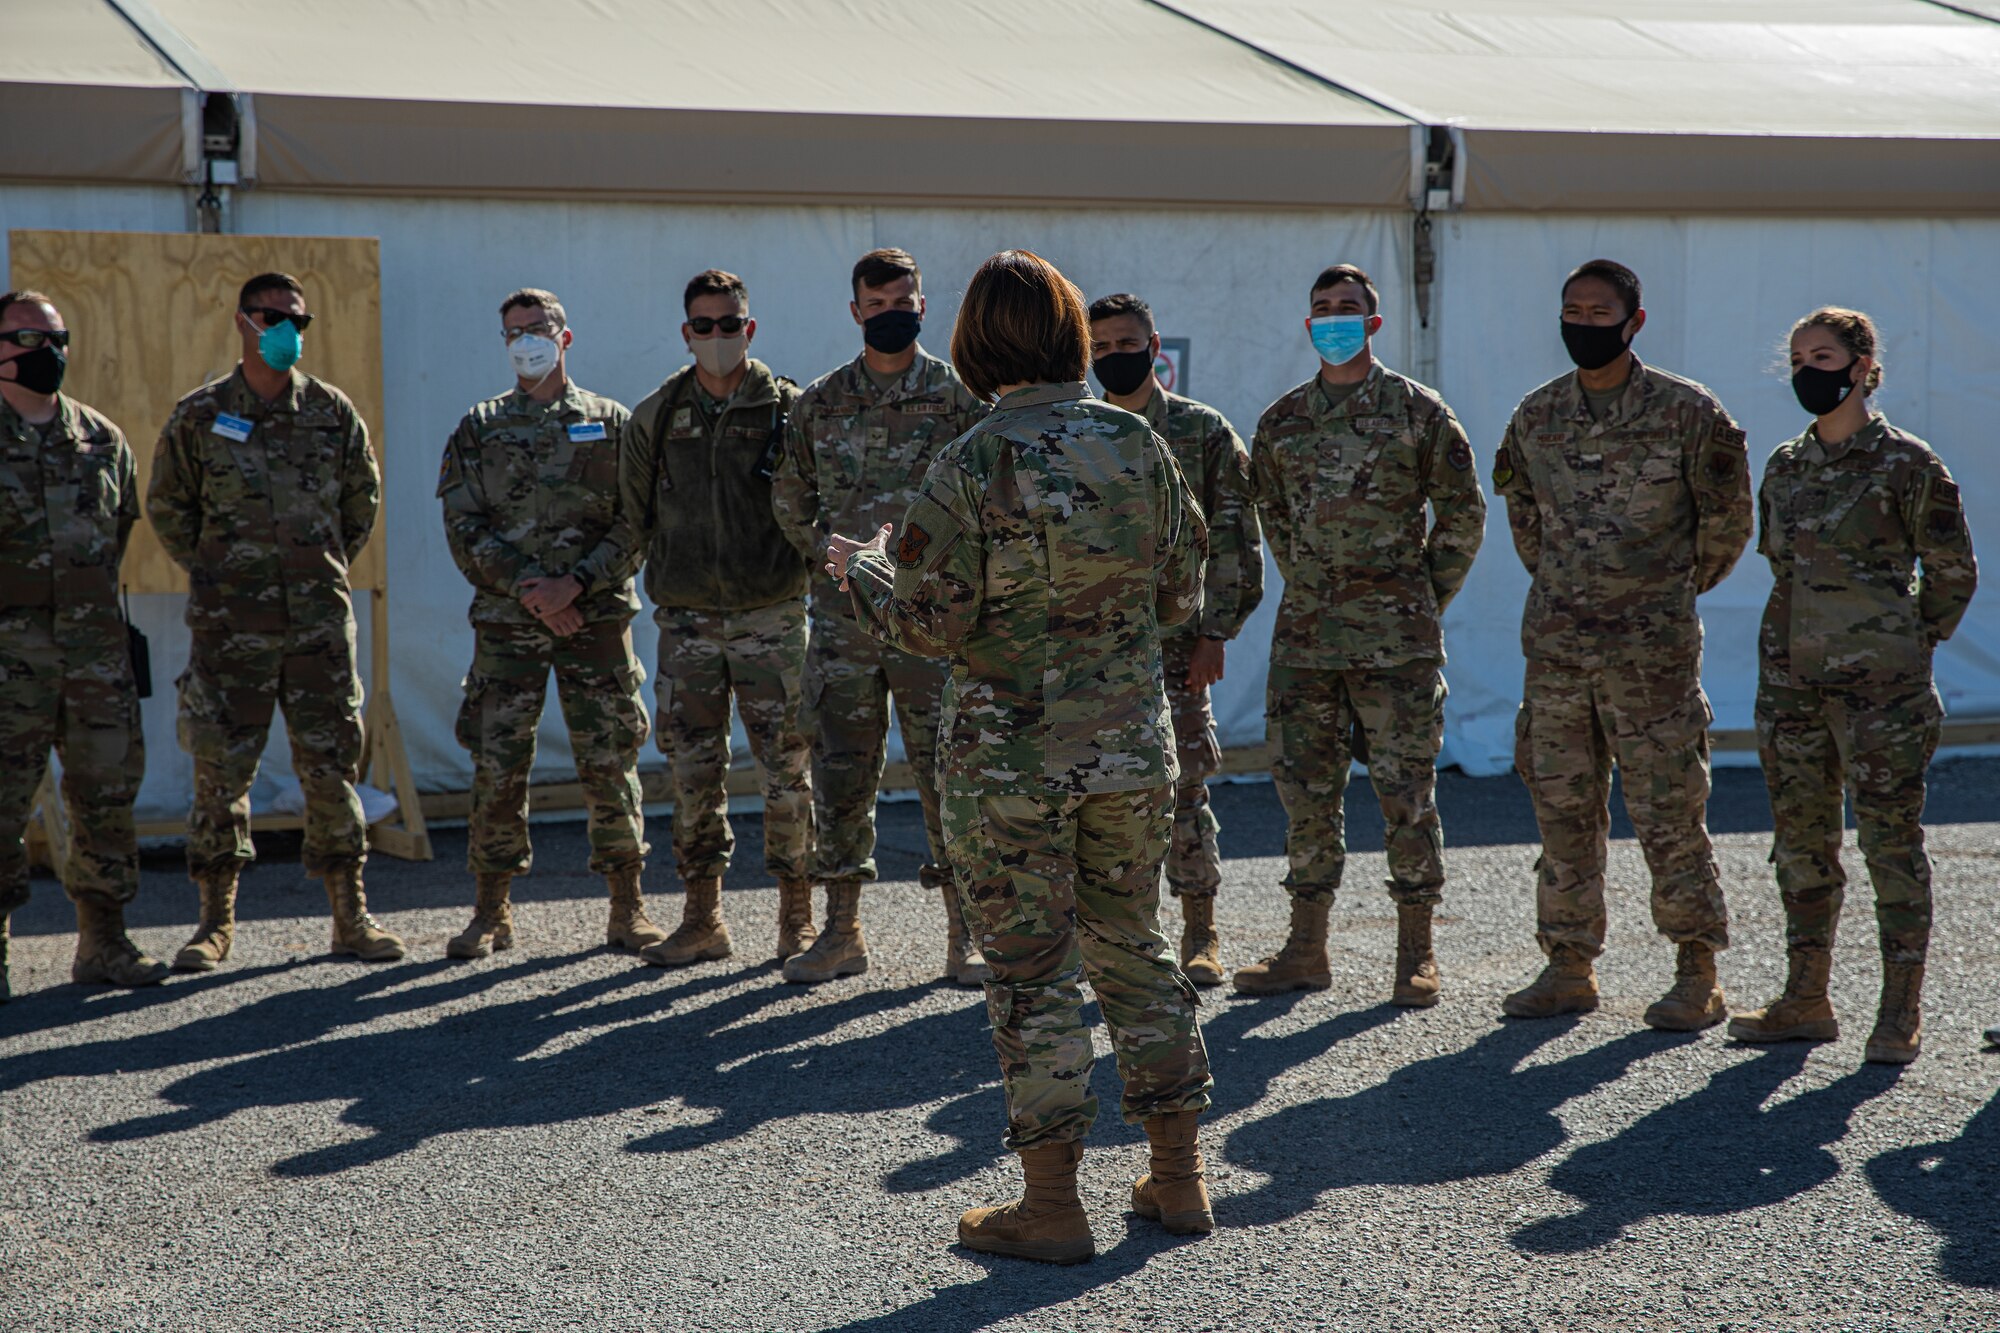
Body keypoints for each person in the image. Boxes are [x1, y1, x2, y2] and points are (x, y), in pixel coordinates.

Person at [831, 249, 1214, 1265]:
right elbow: (1181, 594)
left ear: (975, 341)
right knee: (1136, 945)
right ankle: (1177, 1180)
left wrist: (862, 572)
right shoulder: (1137, 442)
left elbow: (924, 624)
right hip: (1131, 747)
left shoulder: (970, 458)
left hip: (1011, 766)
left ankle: (1051, 1206)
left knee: (1034, 973)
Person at [1492, 258, 1752, 1029]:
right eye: (1571, 308)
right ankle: (1569, 964)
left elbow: (1726, 526)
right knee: (1563, 812)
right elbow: (1525, 521)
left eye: (1599, 310)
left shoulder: (1687, 413)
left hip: (1652, 659)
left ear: (1634, 321)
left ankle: (1696, 969)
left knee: (1670, 812)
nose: (1583, 322)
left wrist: (1656, 594)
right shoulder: (1536, 417)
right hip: (1559, 651)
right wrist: (1580, 592)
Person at [1728, 308, 1977, 1064]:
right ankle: (1806, 996)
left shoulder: (1908, 464)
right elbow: (1779, 564)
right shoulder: (1785, 464)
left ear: (1864, 366)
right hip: (1793, 687)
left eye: (1825, 355)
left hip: (1882, 696)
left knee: (1889, 846)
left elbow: (1953, 573)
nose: (1810, 370)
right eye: (1799, 358)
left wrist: (1903, 642)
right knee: (1801, 845)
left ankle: (1900, 1010)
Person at [1232, 265, 1484, 1006]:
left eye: (1348, 308)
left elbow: (1462, 514)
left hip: (1396, 644)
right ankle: (1306, 948)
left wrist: (1417, 596)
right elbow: (1271, 516)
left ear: (1373, 324)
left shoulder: (1418, 412)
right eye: (1322, 308)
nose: (1334, 317)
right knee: (1305, 796)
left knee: (1406, 795)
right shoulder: (1282, 422)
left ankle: (1416, 954)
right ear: (1308, 324)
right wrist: (1316, 582)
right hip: (1307, 643)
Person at [150, 272, 403, 967]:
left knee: (331, 770)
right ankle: (214, 924)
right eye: (274, 315)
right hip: (231, 628)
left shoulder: (330, 411)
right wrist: (222, 571)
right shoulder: (199, 416)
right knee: (220, 774)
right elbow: (169, 508)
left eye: (299, 318)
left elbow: (361, 503)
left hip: (317, 625)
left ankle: (350, 918)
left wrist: (312, 565)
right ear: (243, 322)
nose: (289, 327)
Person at [772, 249, 990, 985]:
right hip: (845, 624)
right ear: (856, 310)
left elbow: (990, 498)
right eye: (878, 299)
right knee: (841, 775)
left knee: (948, 775)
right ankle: (840, 931)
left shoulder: (962, 399)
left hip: (931, 625)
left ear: (924, 306)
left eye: (905, 297)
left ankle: (967, 934)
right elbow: (789, 496)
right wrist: (824, 547)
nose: (892, 309)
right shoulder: (821, 402)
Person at [437, 288, 660, 959]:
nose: (524, 340)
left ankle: (628, 907)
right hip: (509, 625)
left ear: (565, 336)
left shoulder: (611, 422)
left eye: (536, 329)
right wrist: (534, 592)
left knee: (609, 760)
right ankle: (490, 911)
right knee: (499, 764)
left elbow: (635, 521)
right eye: (512, 332)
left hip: (595, 618)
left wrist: (576, 585)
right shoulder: (479, 426)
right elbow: (462, 524)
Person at [619, 269, 813, 967]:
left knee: (787, 774)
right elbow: (630, 521)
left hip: (773, 620)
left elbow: (814, 512)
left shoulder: (789, 409)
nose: (718, 337)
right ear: (686, 332)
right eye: (705, 325)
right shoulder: (657, 415)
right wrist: (582, 588)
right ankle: (703, 918)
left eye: (730, 324)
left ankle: (798, 920)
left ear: (749, 328)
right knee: (693, 772)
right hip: (689, 626)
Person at [1086, 292, 1264, 986]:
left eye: (1126, 342)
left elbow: (1236, 542)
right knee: (1099, 798)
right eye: (1100, 347)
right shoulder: (1076, 431)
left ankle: (1200, 930)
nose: (1114, 356)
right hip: (1094, 654)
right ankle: (1117, 936)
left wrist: (1217, 632)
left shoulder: (1202, 431)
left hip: (1178, 647)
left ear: (1155, 345)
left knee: (1185, 788)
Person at [0, 291, 168, 998]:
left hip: (94, 652)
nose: (50, 350)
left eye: (59, 337)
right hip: (10, 656)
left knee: (106, 795)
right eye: (32, 337)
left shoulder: (101, 438)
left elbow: (120, 529)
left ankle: (103, 942)